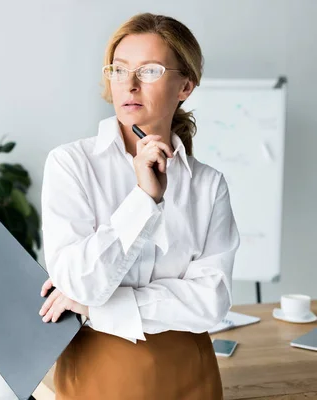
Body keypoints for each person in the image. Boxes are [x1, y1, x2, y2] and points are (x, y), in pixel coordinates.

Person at [38, 12, 240, 399]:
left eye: (149, 71)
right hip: (96, 373)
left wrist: (98, 308)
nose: (128, 84)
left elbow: (212, 302)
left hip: (191, 375)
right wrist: (144, 200)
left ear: (185, 86)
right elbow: (77, 281)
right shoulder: (70, 164)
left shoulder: (208, 185)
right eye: (118, 69)